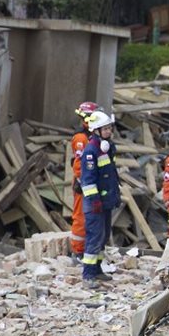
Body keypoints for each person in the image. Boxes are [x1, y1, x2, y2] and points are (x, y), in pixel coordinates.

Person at [80, 110, 120, 289]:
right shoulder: (90, 151)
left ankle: (97, 270)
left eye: (110, 128)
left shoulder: (106, 147)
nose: (109, 131)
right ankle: (88, 274)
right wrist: (95, 200)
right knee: (94, 237)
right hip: (95, 203)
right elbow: (88, 181)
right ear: (96, 130)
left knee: (103, 237)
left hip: (105, 202)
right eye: (105, 128)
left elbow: (111, 176)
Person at [70, 101, 99, 259]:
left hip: (92, 184)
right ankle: (77, 251)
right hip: (83, 185)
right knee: (80, 217)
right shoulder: (81, 138)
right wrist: (84, 183)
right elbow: (79, 165)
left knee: (91, 217)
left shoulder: (93, 137)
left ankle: (88, 248)